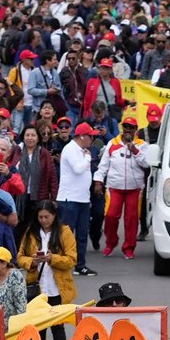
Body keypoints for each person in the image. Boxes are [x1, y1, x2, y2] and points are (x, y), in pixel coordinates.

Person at [94, 116, 147, 259]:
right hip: (114, 187)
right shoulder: (113, 143)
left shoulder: (142, 144)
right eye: (126, 127)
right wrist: (98, 181)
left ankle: (129, 247)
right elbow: (103, 165)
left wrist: (134, 149)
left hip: (135, 188)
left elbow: (146, 163)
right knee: (111, 216)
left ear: (136, 130)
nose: (128, 130)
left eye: (131, 127)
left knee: (131, 219)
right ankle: (111, 243)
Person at [57, 123, 98, 276]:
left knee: (82, 233)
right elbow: (78, 169)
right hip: (69, 198)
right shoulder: (70, 149)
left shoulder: (81, 150)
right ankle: (63, 263)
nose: (92, 139)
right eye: (90, 136)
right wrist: (88, 158)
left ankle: (80, 265)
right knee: (67, 234)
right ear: (82, 136)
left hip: (82, 198)